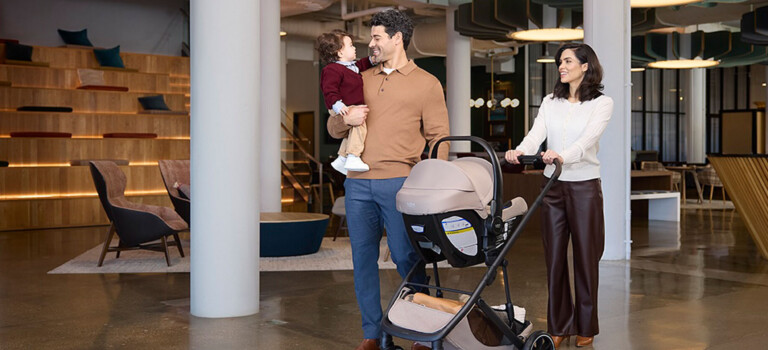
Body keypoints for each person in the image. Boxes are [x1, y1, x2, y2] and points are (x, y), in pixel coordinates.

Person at [326, 9, 450, 350]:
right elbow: (333, 125)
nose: (372, 44)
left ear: (397, 39)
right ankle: (373, 333)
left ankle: (421, 327)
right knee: (362, 258)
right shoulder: (360, 78)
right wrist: (345, 118)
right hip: (357, 182)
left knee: (405, 256)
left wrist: (431, 187)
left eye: (378, 37)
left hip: (401, 183)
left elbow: (440, 138)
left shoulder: (427, 83)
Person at [505, 43, 613, 349]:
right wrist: (520, 151)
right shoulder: (550, 102)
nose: (561, 66)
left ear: (585, 66)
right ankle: (560, 324)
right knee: (554, 259)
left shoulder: (602, 104)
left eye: (567, 61)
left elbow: (588, 139)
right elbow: (535, 134)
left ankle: (586, 325)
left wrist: (560, 155)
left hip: (584, 188)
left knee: (586, 259)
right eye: (559, 62)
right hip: (552, 188)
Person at [316, 29, 377, 174]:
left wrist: (371, 60)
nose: (354, 47)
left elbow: (361, 65)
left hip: (349, 105)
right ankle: (353, 156)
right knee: (360, 126)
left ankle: (342, 158)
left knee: (352, 133)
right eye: (350, 45)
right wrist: (337, 104)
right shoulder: (332, 70)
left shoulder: (351, 67)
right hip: (341, 105)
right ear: (339, 52)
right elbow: (328, 89)